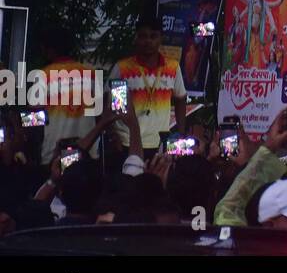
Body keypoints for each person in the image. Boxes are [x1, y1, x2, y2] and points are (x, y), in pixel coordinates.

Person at [108, 18, 188, 155]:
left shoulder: (172, 67)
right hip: (127, 141)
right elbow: (117, 108)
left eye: (153, 36)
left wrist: (181, 134)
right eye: (143, 36)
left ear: (160, 39)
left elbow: (180, 99)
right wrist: (113, 135)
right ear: (136, 39)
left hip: (160, 142)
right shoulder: (123, 68)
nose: (148, 41)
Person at [35, 26, 98, 165]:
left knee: (57, 185)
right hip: (87, 152)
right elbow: (99, 114)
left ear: (48, 49)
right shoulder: (91, 74)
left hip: (55, 154)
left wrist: (17, 120)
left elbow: (36, 120)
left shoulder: (43, 76)